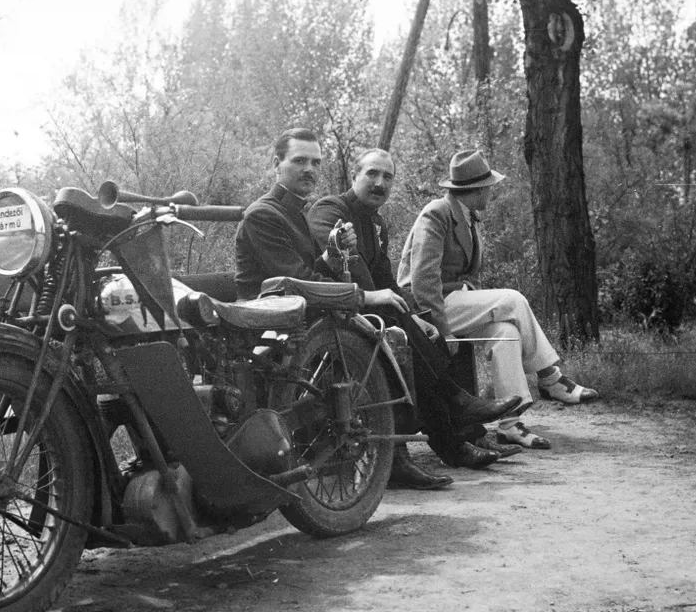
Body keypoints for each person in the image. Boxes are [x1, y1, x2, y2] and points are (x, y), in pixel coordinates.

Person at [234, 129, 520, 489]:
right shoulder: (266, 214)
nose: (310, 170)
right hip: (271, 322)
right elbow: (294, 282)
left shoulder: (301, 212)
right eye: (299, 161)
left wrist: (333, 256)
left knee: (408, 323)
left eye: (316, 163)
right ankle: (438, 428)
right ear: (277, 164)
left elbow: (322, 273)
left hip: (307, 314)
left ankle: (451, 430)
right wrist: (366, 297)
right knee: (391, 327)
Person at [309, 148, 525, 467]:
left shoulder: (375, 222)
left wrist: (415, 316)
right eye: (372, 173)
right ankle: (457, 415)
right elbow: (347, 263)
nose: (380, 182)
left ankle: (464, 435)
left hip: (368, 309)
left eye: (388, 177)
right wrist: (383, 301)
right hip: (332, 309)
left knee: (430, 332)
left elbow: (386, 277)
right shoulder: (331, 209)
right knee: (403, 329)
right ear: (354, 175)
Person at [397, 149, 598, 450]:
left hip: (455, 301)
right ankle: (551, 378)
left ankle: (511, 426)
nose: (492, 190)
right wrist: (444, 331)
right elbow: (423, 280)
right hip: (427, 309)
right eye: (489, 185)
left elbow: (464, 273)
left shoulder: (469, 217)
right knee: (513, 299)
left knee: (507, 333)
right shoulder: (437, 213)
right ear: (474, 190)